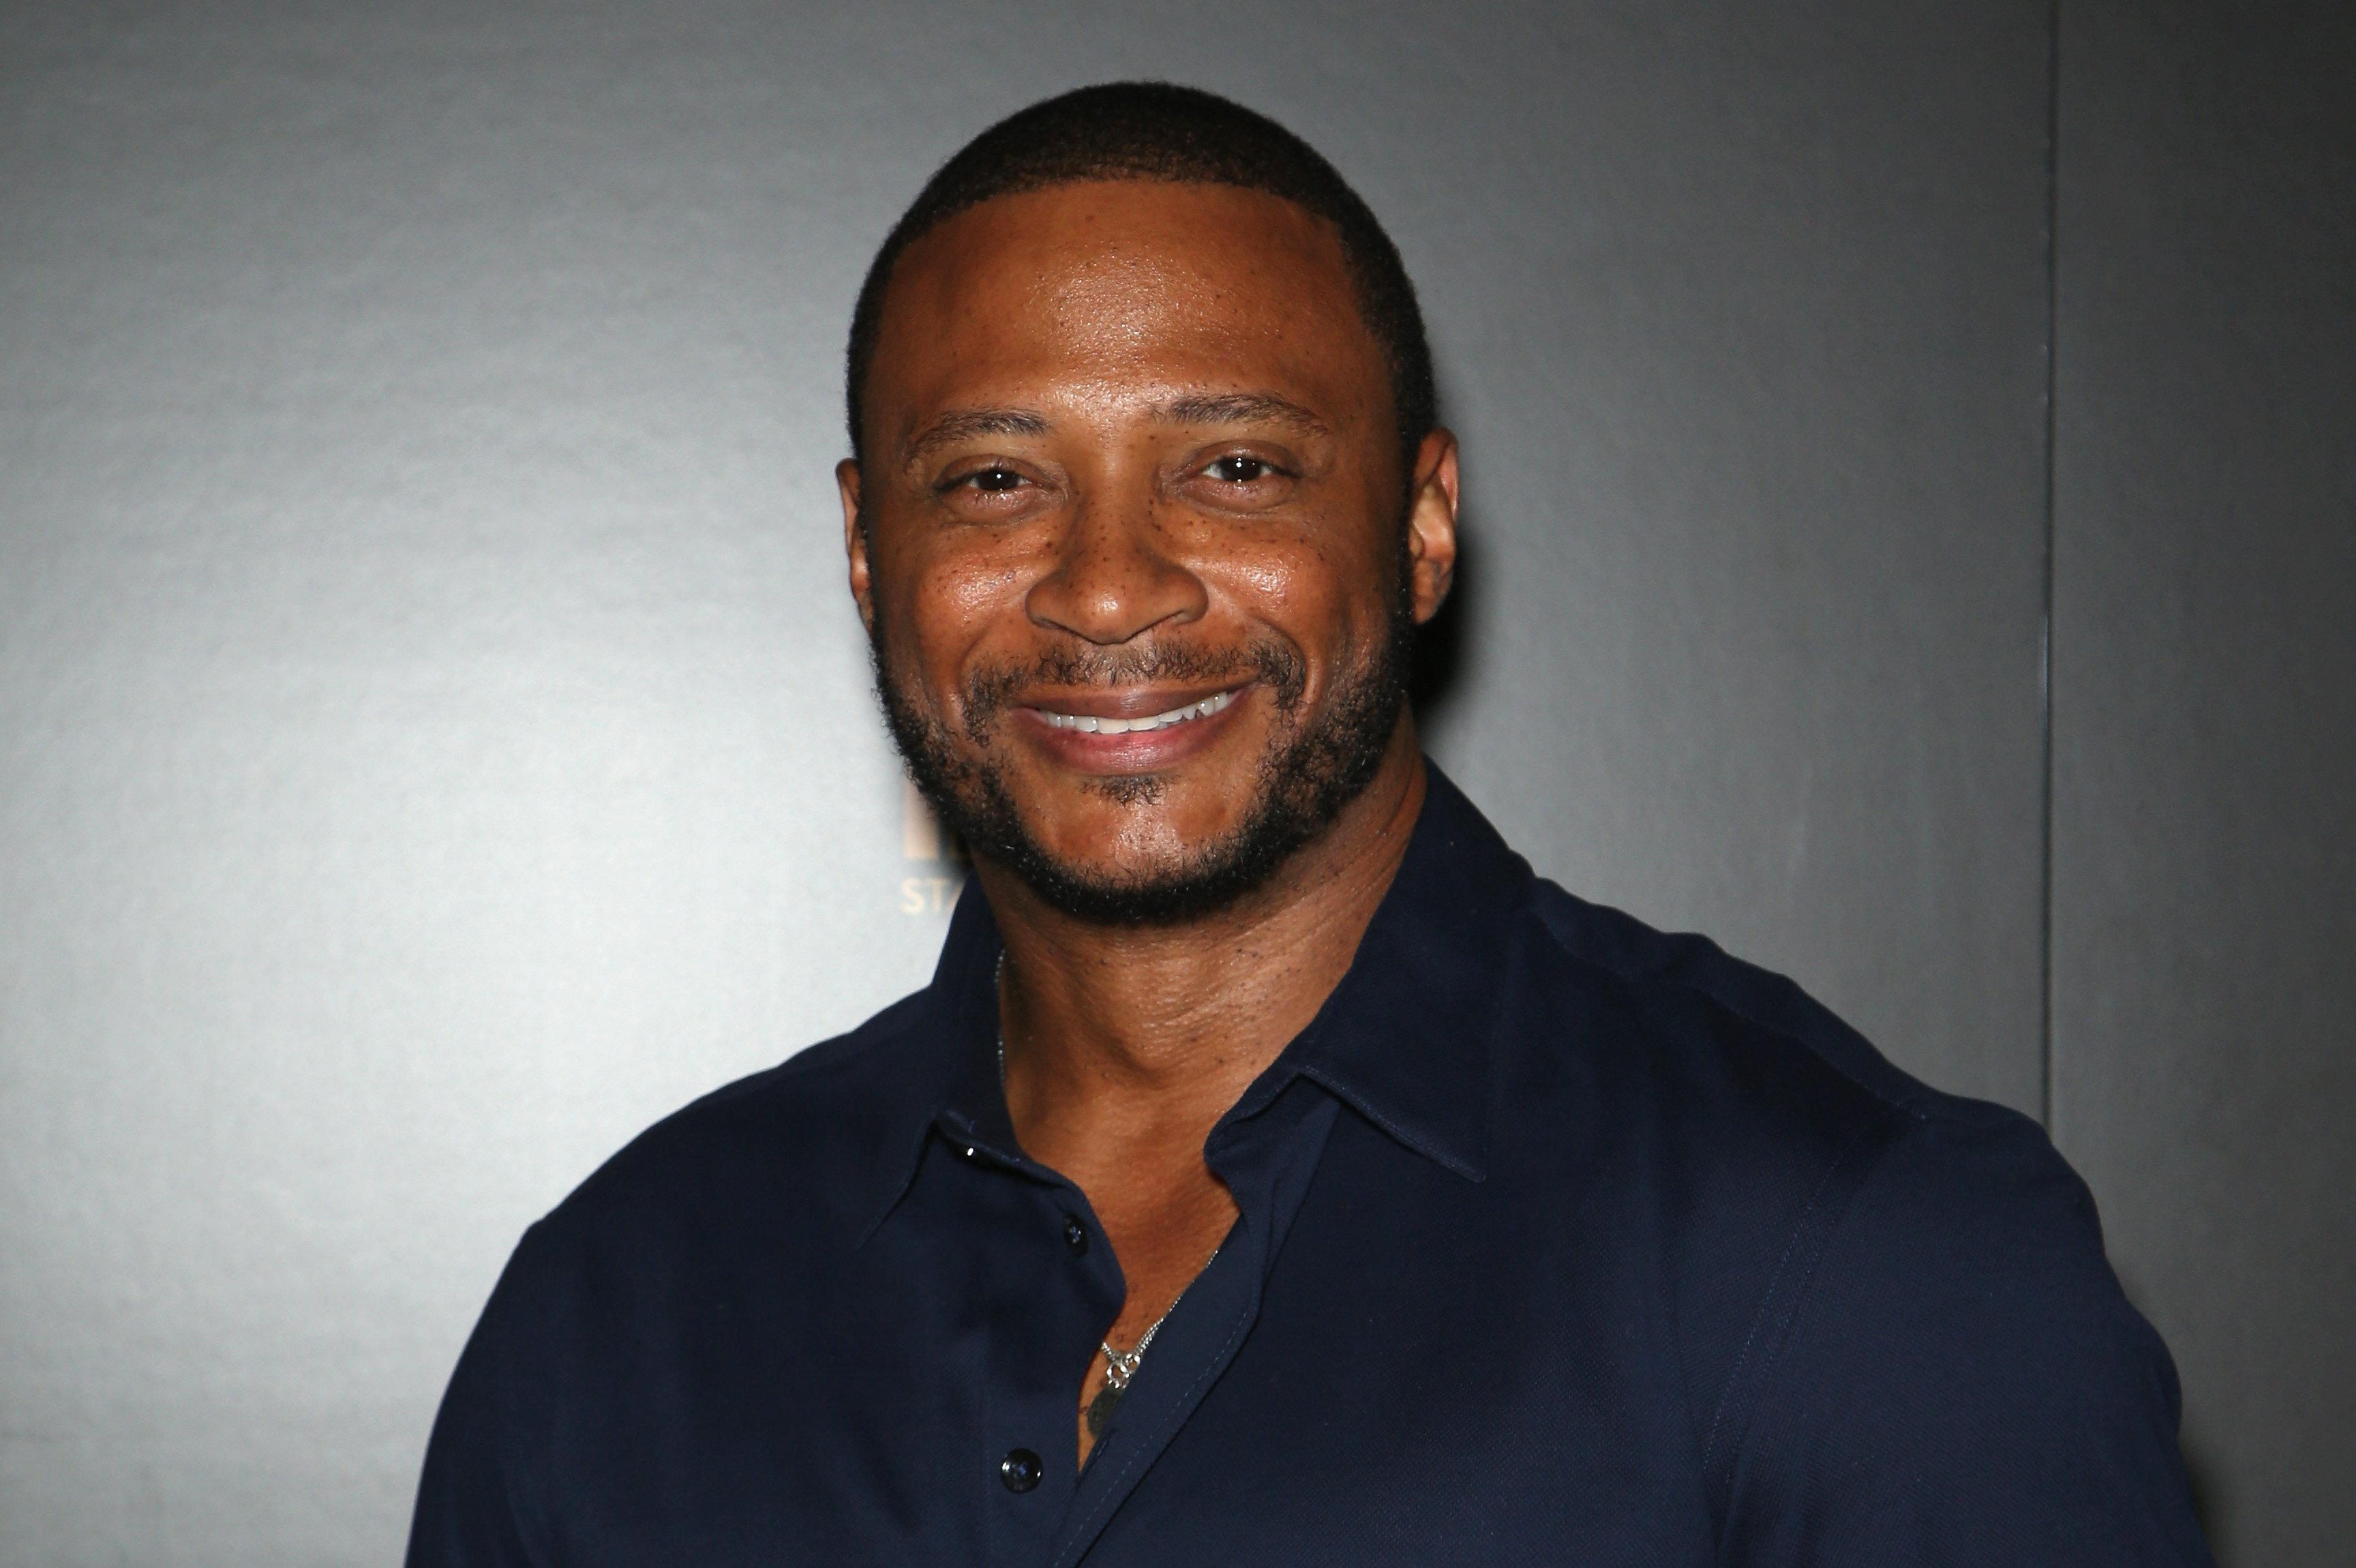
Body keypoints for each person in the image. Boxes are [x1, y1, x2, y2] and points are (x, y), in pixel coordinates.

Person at [406, 82, 2211, 1566]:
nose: (1108, 587)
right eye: (996, 479)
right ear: (873, 555)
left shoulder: (1866, 1264)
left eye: (1235, 466)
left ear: (1421, 528)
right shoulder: (619, 1309)